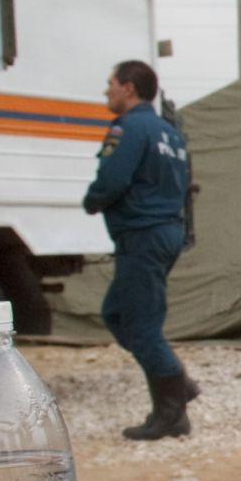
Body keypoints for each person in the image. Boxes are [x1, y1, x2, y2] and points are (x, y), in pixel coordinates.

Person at [83, 59, 196, 440]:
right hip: (166, 231)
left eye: (111, 83)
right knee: (116, 313)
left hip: (143, 235)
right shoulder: (170, 133)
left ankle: (171, 413)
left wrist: (92, 200)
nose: (107, 90)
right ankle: (177, 383)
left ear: (128, 87)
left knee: (143, 327)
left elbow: (112, 178)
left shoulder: (129, 128)